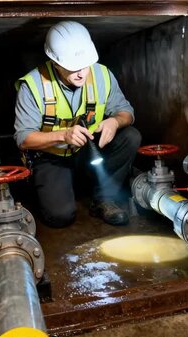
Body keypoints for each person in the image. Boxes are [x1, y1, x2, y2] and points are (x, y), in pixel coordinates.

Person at [14, 21, 141, 228]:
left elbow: (127, 113)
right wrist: (63, 136)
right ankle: (52, 187)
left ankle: (104, 199)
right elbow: (23, 139)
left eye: (85, 65)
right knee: (60, 217)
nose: (82, 73)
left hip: (88, 152)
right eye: (73, 68)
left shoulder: (102, 75)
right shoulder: (33, 86)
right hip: (52, 157)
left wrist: (114, 121)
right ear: (55, 63)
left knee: (131, 135)